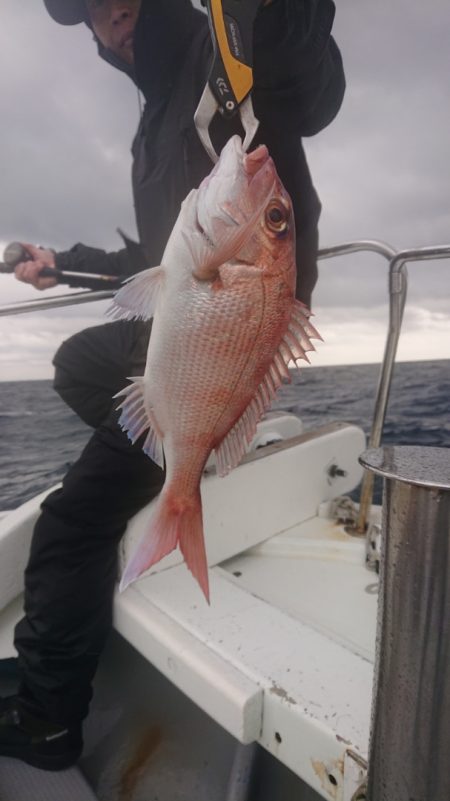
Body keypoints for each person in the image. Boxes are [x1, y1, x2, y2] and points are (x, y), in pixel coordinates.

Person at [0, 0, 345, 771]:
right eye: (91, 12)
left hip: (212, 344)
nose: (111, 15)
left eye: (117, 0)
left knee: (71, 522)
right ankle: (172, 454)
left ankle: (49, 719)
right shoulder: (156, 118)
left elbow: (302, 80)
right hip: (190, 330)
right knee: (77, 362)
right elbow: (163, 260)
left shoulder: (223, 55)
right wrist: (63, 262)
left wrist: (273, 16)